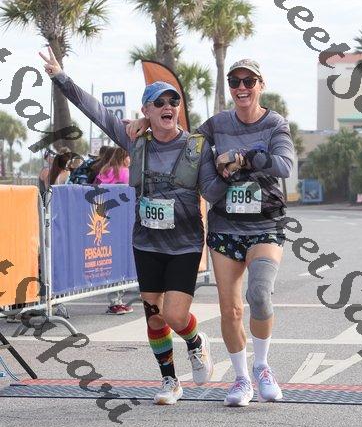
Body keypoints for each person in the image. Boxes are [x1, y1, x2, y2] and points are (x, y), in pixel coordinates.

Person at [39, 46, 228, 405]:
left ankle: (195, 341)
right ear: (147, 112)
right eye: (160, 103)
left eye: (173, 101)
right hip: (146, 242)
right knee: (154, 317)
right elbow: (96, 112)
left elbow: (213, 191)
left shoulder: (196, 147)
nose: (168, 106)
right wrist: (61, 77)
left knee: (174, 314)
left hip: (186, 242)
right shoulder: (135, 140)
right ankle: (170, 381)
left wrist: (226, 174)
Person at [126, 59, 294, 407]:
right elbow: (181, 136)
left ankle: (262, 366)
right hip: (225, 227)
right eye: (235, 81)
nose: (241, 87)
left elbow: (284, 166)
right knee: (230, 310)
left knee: (259, 295)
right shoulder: (216, 124)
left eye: (248, 81)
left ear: (260, 84)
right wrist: (145, 121)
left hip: (265, 224)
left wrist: (245, 158)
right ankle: (242, 379)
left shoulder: (275, 123)